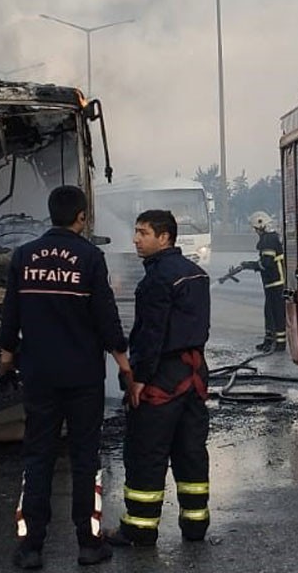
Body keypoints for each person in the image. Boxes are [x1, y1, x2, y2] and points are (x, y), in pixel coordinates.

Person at [0, 184, 131, 569]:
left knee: (37, 457)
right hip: (83, 377)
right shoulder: (90, 257)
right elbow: (105, 315)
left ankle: (30, 547)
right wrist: (123, 361)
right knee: (85, 458)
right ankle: (89, 545)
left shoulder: (24, 256)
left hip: (39, 374)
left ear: (50, 214)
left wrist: (6, 357)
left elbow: (11, 315)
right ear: (82, 217)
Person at [105, 209, 212, 548]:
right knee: (191, 450)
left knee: (146, 452)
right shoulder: (196, 275)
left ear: (164, 237)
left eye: (143, 233)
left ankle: (139, 528)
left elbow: (150, 336)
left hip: (162, 378)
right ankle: (195, 526)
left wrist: (137, 379)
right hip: (194, 375)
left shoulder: (156, 280)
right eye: (136, 232)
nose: (136, 239)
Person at [241, 211, 286, 352]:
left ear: (261, 226)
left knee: (276, 313)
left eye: (256, 229)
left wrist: (251, 265)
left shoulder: (268, 240)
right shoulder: (271, 238)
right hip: (272, 282)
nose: (256, 232)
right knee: (270, 312)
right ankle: (270, 341)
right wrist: (249, 264)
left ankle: (278, 344)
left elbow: (266, 263)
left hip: (276, 282)